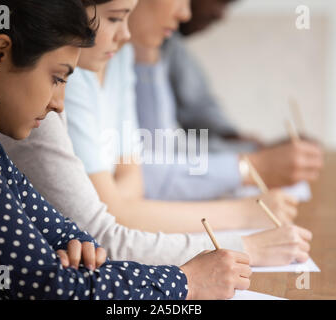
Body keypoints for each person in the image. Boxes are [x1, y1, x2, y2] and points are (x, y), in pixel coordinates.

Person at [0, 0, 252, 300]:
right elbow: (48, 287)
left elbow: (73, 236)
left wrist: (80, 250)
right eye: (57, 78)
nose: (58, 104)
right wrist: (186, 282)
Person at [0, 0, 312, 268]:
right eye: (117, 17)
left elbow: (143, 175)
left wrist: (122, 202)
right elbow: (107, 226)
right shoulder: (58, 88)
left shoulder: (115, 60)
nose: (186, 12)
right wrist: (245, 239)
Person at [135, 0, 325, 201]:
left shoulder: (167, 44)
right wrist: (252, 166)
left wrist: (249, 149)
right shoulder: (123, 50)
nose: (185, 13)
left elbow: (198, 109)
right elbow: (154, 162)